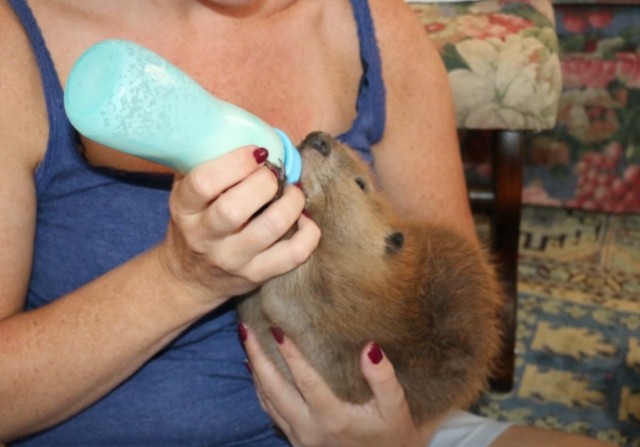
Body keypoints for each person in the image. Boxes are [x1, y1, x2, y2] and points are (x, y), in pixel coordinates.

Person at [0, 0, 615, 446]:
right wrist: (183, 278)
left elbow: (456, 313)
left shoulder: (377, 27)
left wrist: (397, 433)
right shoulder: (16, 49)